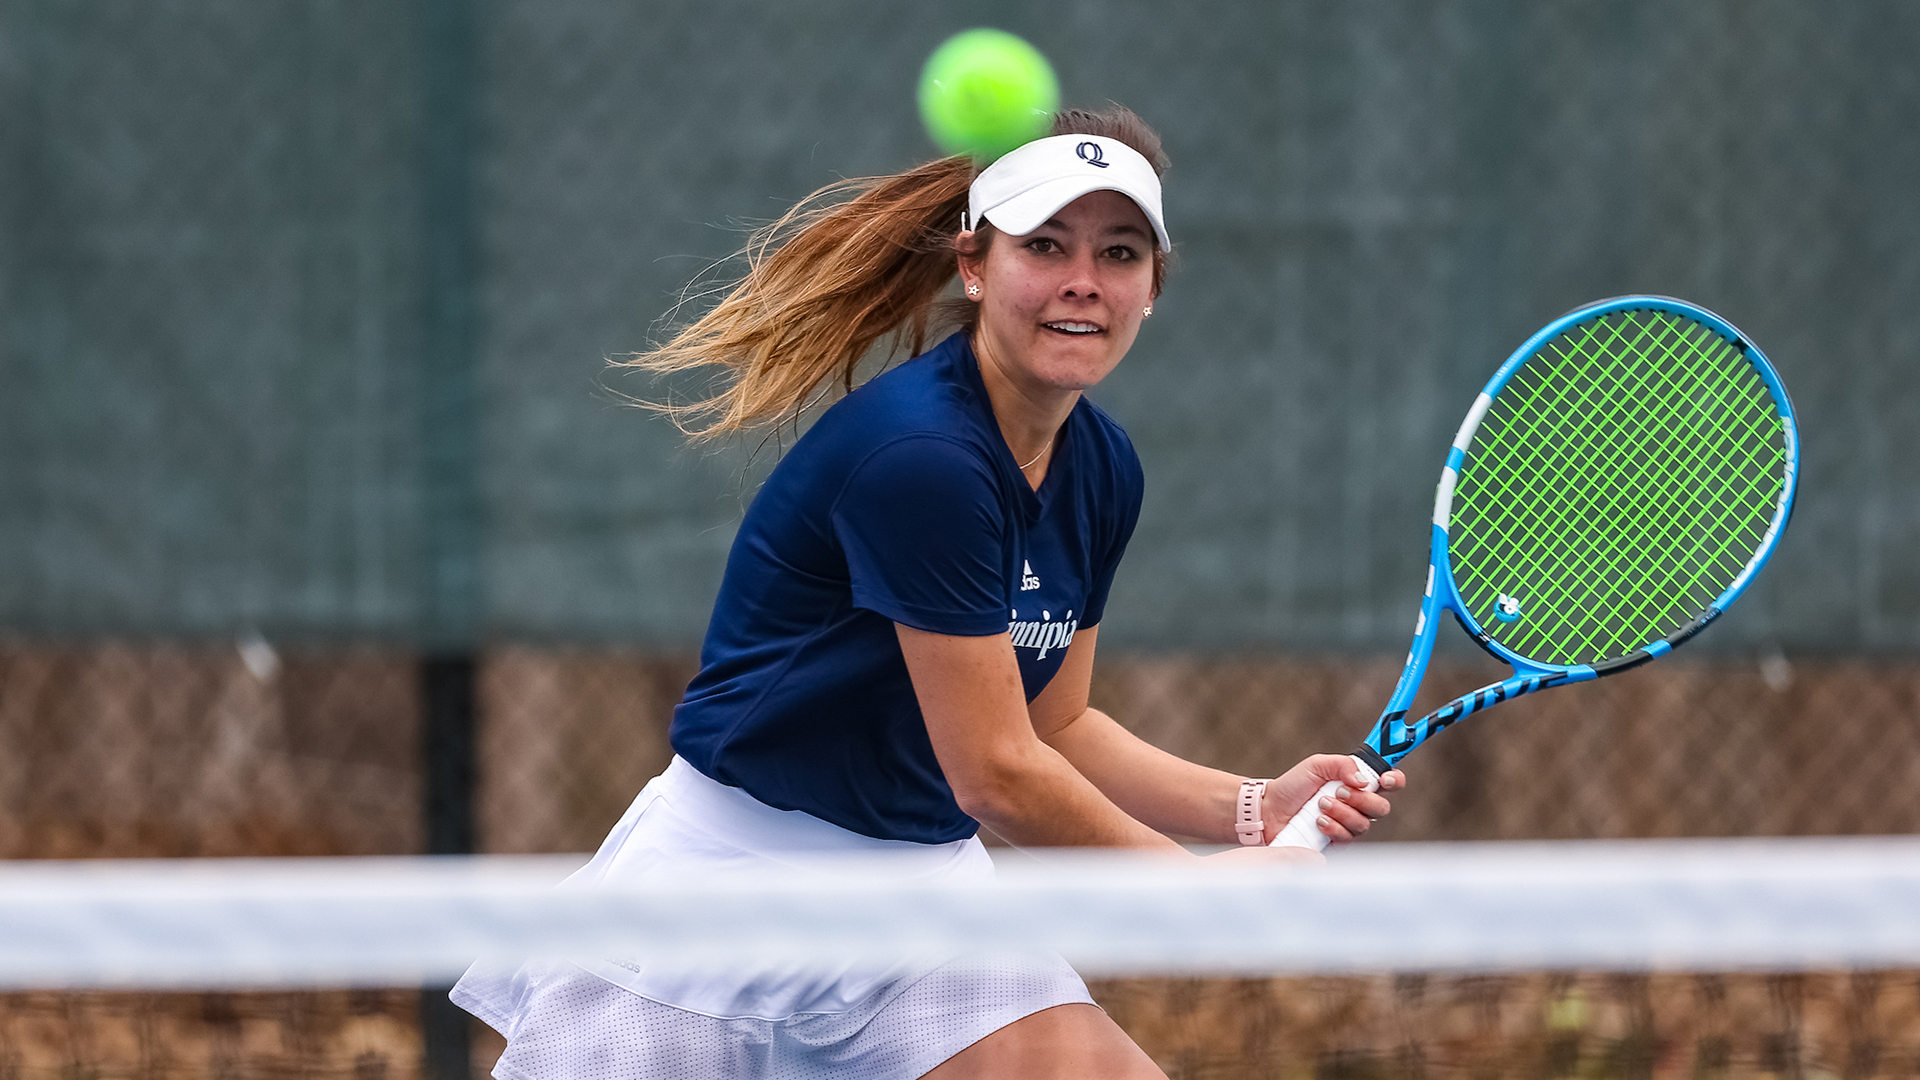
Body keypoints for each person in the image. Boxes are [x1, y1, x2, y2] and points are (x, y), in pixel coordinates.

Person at [452, 105, 1405, 1080]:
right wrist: (1197, 896)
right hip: (722, 897)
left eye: (1120, 252)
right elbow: (994, 773)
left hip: (923, 909)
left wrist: (1249, 809)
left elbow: (1057, 724)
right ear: (975, 265)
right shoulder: (922, 458)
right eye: (1046, 245)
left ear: (1153, 286)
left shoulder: (1102, 467)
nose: (1084, 281)